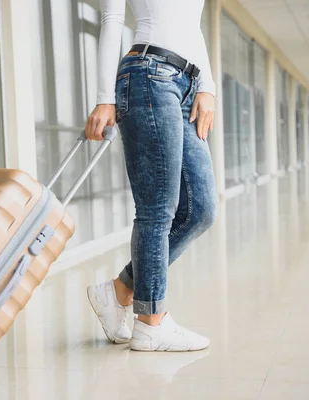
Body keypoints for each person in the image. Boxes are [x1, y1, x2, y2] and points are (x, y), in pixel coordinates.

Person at [85, 0, 218, 352]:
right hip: (147, 74)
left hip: (187, 84)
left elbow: (193, 25)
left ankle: (121, 289)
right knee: (158, 208)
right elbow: (112, 18)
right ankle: (150, 321)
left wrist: (207, 86)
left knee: (201, 209)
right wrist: (104, 98)